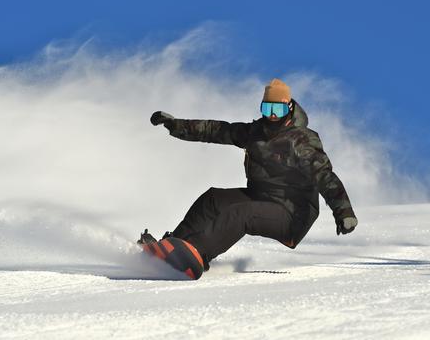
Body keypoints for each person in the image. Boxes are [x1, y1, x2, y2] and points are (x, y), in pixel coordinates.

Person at [141, 78, 358, 271]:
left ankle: (198, 252)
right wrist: (175, 125)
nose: (273, 116)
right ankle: (172, 247)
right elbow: (216, 130)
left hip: (292, 213)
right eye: (267, 108)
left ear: (289, 108)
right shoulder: (255, 133)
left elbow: (324, 174)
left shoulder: (301, 140)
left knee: (241, 214)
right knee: (213, 198)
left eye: (279, 110)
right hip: (262, 198)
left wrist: (343, 212)